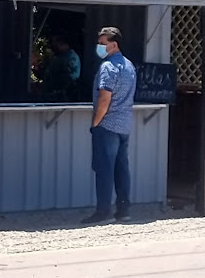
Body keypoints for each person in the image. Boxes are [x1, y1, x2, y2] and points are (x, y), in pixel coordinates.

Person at [82, 27, 137, 224]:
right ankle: (124, 210)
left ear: (114, 45)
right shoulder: (129, 66)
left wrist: (95, 123)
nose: (99, 47)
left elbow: (104, 98)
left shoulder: (107, 67)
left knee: (104, 169)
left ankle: (103, 212)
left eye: (103, 44)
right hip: (124, 125)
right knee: (121, 169)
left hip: (107, 125)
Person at [38, 35, 81, 102]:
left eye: (55, 44)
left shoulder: (71, 58)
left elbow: (68, 78)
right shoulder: (58, 57)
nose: (53, 46)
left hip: (62, 95)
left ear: (61, 43)